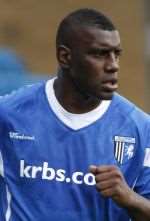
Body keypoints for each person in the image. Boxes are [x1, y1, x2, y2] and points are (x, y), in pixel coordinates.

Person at [0, 8, 150, 221]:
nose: (113, 66)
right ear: (65, 57)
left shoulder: (140, 128)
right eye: (99, 54)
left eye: (116, 54)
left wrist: (128, 197)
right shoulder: (9, 114)